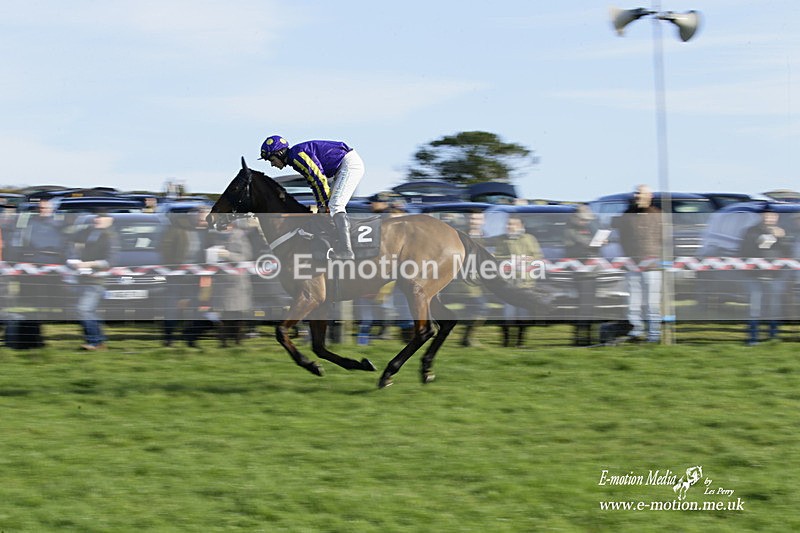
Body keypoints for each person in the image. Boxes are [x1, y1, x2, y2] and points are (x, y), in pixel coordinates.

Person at [259, 135, 365, 260]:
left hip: (348, 164)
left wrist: (323, 205)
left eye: (272, 159)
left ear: (280, 153)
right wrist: (322, 205)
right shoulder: (295, 157)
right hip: (342, 166)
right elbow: (314, 183)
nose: (272, 164)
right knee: (331, 206)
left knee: (335, 206)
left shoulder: (296, 156)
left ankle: (346, 251)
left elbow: (319, 179)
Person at [612, 185, 663, 343]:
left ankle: (654, 335)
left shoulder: (658, 215)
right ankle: (636, 332)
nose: (636, 196)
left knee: (652, 303)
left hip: (652, 267)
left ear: (649, 196)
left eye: (639, 193)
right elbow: (622, 238)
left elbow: (664, 239)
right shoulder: (627, 215)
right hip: (632, 265)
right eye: (635, 193)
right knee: (633, 302)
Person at [487, 215, 542, 348]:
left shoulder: (529, 239)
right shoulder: (502, 240)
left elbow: (537, 257)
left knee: (523, 313)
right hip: (507, 283)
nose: (509, 227)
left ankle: (520, 342)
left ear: (521, 226)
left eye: (512, 224)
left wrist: (526, 262)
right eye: (508, 224)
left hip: (525, 282)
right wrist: (513, 259)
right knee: (508, 313)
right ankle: (506, 342)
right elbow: (497, 257)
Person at [739, 206, 789, 345]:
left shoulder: (781, 232)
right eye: (766, 216)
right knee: (754, 307)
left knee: (774, 307)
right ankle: (753, 337)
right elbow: (743, 251)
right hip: (754, 276)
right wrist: (757, 240)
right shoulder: (751, 231)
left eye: (771, 216)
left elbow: (787, 252)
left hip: (775, 276)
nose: (768, 218)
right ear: (761, 217)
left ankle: (773, 337)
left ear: (776, 218)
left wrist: (782, 238)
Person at [159, 207, 209, 347]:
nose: (202, 221)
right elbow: (164, 247)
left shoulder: (205, 232)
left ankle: (190, 339)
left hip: (195, 277)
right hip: (176, 275)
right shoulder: (176, 229)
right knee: (172, 308)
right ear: (192, 217)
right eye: (200, 218)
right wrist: (174, 265)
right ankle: (168, 338)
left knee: (194, 307)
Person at [71, 213, 119, 350]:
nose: (97, 220)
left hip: (97, 281)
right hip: (84, 278)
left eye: (101, 217)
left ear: (109, 220)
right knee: (89, 311)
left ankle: (94, 341)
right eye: (96, 217)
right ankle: (97, 341)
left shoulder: (110, 237)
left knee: (83, 309)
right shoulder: (90, 233)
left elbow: (110, 261)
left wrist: (88, 264)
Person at [563, 205, 603, 346]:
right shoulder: (570, 231)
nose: (585, 222)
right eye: (583, 220)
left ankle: (588, 336)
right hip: (581, 274)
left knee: (590, 305)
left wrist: (598, 242)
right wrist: (594, 244)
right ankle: (581, 338)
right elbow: (578, 247)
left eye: (587, 220)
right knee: (584, 306)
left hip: (591, 272)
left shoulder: (587, 228)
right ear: (576, 218)